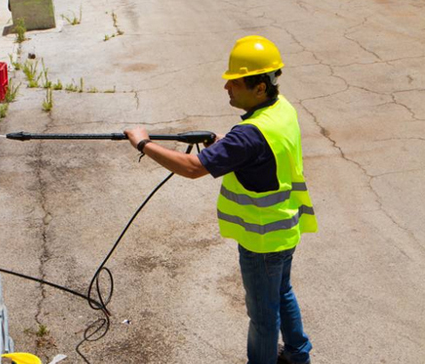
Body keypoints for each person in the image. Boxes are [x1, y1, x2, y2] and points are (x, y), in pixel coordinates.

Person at [124, 35, 318, 364]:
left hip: (261, 238)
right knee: (281, 292)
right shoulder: (281, 110)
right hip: (285, 229)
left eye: (234, 82)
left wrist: (143, 144)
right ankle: (299, 355)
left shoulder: (249, 135)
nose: (226, 88)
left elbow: (191, 167)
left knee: (262, 316)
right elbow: (260, 150)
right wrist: (223, 144)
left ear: (260, 87)